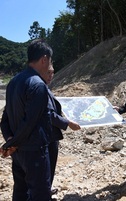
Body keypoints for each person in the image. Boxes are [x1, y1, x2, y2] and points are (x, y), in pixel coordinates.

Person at [0, 39, 53, 201]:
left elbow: (5, 118)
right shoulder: (38, 85)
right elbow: (29, 123)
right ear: (44, 59)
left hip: (18, 153)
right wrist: (11, 144)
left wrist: (10, 140)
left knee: (20, 192)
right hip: (34, 152)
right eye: (49, 61)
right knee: (40, 195)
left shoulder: (14, 82)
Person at [40, 64, 81, 195]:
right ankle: (44, 193)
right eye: (48, 73)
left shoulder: (46, 87)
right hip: (46, 136)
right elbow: (49, 114)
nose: (51, 76)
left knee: (50, 166)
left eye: (53, 73)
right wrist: (68, 123)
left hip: (50, 135)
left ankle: (47, 189)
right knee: (45, 167)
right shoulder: (39, 88)